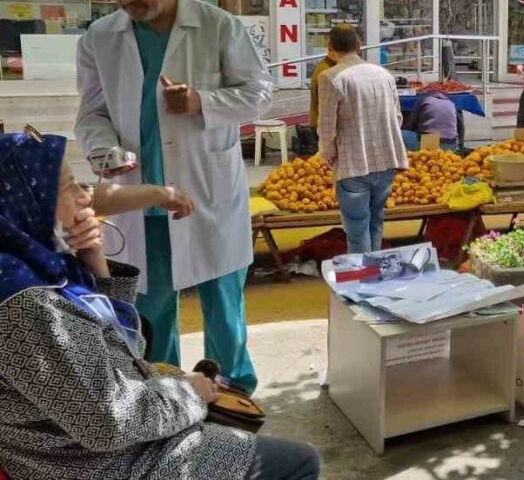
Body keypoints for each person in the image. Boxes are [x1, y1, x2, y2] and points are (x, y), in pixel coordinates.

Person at [0, 132, 320, 480]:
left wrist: (95, 262)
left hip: (98, 446)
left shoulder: (40, 264)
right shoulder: (26, 304)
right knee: (299, 462)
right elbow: (108, 423)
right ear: (27, 199)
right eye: (68, 186)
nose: (85, 198)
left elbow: (123, 347)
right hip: (97, 465)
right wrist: (189, 393)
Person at [75, 0, 273, 395]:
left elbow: (259, 93)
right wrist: (104, 149)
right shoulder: (100, 38)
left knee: (223, 304)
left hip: (206, 193)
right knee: (153, 306)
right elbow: (91, 113)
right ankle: (166, 394)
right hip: (141, 195)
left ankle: (233, 391)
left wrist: (202, 100)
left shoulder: (218, 26)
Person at [319, 25, 409, 254]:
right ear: (359, 46)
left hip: (353, 165)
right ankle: (374, 277)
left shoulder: (330, 77)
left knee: (357, 231)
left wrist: (327, 155)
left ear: (330, 48)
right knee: (376, 223)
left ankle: (362, 282)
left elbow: (327, 126)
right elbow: (397, 118)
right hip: (386, 161)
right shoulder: (384, 74)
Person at [301, 51, 338, 156]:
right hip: (321, 124)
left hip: (318, 121)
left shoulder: (326, 67)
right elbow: (325, 104)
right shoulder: (327, 73)